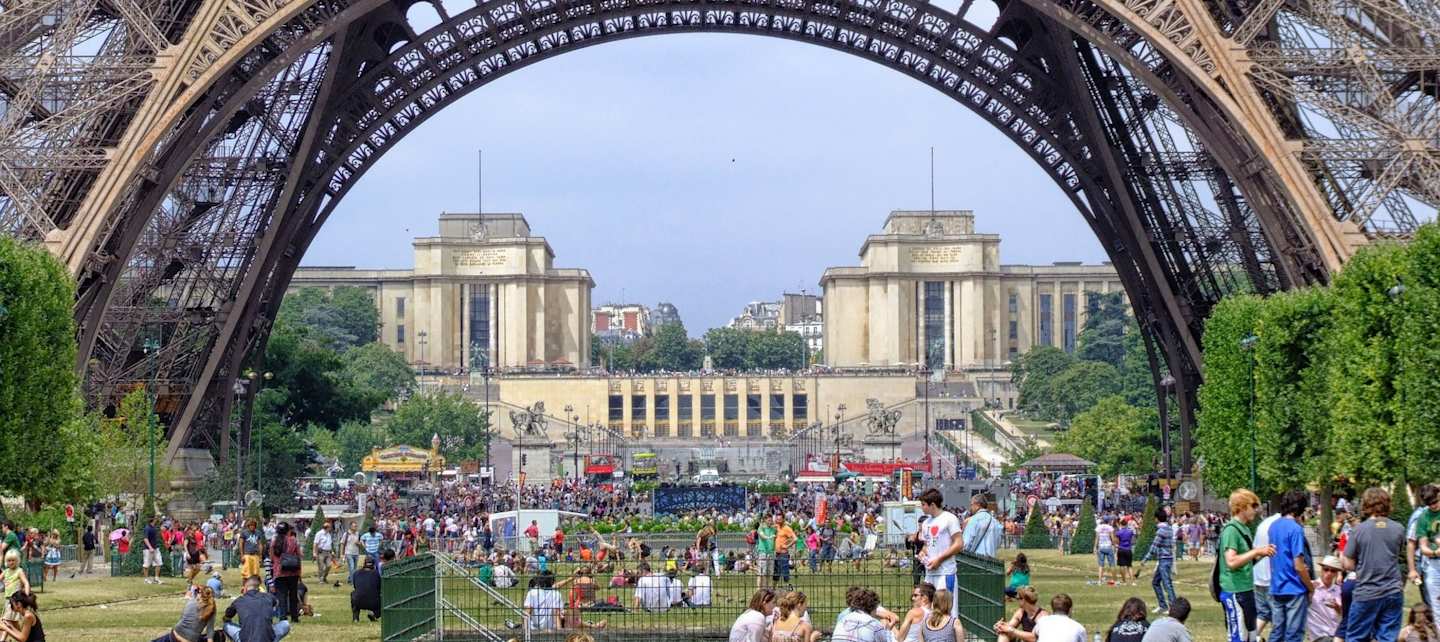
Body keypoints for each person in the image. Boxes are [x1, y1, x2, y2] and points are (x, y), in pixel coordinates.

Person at [1341, 486, 1406, 642]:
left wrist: (1360, 564)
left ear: (1366, 505)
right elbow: (1397, 554)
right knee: (1387, 637)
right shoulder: (1399, 529)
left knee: (1356, 637)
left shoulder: (1359, 530)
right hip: (1393, 591)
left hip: (1366, 591)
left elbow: (1348, 564)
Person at [1219, 488, 1275, 642]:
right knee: (1238, 637)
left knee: (1251, 636)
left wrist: (1263, 553)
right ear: (1242, 507)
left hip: (1247, 589)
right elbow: (1231, 561)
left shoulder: (1244, 529)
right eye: (1253, 506)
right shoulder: (1231, 530)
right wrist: (1256, 551)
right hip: (1235, 591)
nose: (1256, 510)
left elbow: (1247, 559)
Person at [1268, 490, 1315, 642]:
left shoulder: (1273, 526)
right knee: (1293, 635)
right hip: (1294, 588)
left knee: (1277, 632)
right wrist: (1311, 587)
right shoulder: (1296, 529)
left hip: (1277, 586)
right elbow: (1299, 565)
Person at [917, 489, 962, 616]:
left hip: (945, 572)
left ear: (932, 505)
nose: (921, 507)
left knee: (946, 611)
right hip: (930, 573)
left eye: (923, 504)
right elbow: (927, 545)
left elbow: (959, 543)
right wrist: (922, 553)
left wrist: (940, 559)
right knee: (928, 610)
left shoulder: (949, 519)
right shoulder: (926, 523)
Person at [223, 575, 290, 642]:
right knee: (285, 624)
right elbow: (277, 602)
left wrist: (227, 619)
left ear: (245, 588)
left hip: (245, 639)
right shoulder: (269, 597)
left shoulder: (239, 601)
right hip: (268, 639)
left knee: (226, 625)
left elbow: (227, 615)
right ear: (259, 588)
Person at [1141, 507, 1177, 614]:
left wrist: (1145, 559)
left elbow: (1154, 547)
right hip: (1167, 559)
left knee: (1167, 583)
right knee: (1156, 582)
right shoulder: (1169, 528)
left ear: (1157, 518)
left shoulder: (1161, 531)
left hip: (1164, 560)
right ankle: (1162, 605)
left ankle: (1173, 607)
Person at [1253, 505, 1282, 638]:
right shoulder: (1281, 525)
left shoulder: (1263, 524)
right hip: (1271, 577)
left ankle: (1249, 638)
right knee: (1278, 619)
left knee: (1263, 613)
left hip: (1258, 576)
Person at [1413, 485, 1440, 623]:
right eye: (1429, 504)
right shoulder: (1423, 517)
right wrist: (1435, 552)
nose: (1433, 505)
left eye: (1435, 501)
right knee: (1436, 607)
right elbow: (1423, 547)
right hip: (1434, 564)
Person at [270, 524, 302, 623]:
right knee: (293, 595)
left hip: (279, 572)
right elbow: (299, 555)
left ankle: (283, 617)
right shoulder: (293, 540)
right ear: (288, 531)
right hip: (293, 571)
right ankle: (294, 617)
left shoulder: (274, 541)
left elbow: (271, 557)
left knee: (281, 596)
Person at [1308, 556, 1345, 642]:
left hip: (1337, 634)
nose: (1329, 573)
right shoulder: (1311, 586)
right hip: (1319, 635)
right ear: (1321, 570)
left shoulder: (1339, 590)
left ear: (1336, 573)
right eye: (1326, 569)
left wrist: (1338, 608)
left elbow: (1344, 614)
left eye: (1333, 571)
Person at [962, 493, 1001, 558]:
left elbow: (966, 543)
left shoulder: (973, 520)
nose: (970, 508)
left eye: (971, 504)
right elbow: (998, 542)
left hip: (975, 559)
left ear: (978, 505)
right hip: (991, 560)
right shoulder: (995, 522)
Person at [350, 557, 381, 622]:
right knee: (382, 597)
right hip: (374, 602)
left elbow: (355, 586)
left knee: (353, 594)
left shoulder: (356, 573)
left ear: (364, 564)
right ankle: (374, 614)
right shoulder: (376, 574)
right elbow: (379, 587)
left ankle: (355, 618)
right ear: (374, 565)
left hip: (358, 601)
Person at [774, 515, 796, 586]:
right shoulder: (777, 527)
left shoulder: (787, 528)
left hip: (784, 554)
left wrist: (787, 546)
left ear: (783, 519)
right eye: (777, 519)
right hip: (777, 553)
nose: (778, 521)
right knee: (776, 573)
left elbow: (795, 539)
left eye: (779, 519)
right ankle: (773, 589)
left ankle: (788, 589)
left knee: (785, 573)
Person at [312, 521, 334, 588]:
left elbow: (329, 544)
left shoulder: (328, 534)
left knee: (329, 565)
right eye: (330, 527)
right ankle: (321, 579)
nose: (331, 528)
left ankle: (324, 577)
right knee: (321, 566)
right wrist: (314, 553)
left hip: (328, 552)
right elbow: (315, 543)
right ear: (327, 528)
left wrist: (332, 551)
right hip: (321, 552)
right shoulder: (319, 534)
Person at [756, 518, 777, 589]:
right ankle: (761, 589)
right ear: (765, 520)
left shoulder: (773, 529)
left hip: (771, 553)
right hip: (763, 553)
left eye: (771, 520)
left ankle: (769, 589)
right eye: (769, 520)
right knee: (762, 573)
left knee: (770, 573)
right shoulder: (761, 528)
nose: (770, 522)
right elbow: (763, 536)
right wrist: (769, 537)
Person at [1096, 518, 1118, 585]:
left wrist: (1095, 547)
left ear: (1103, 521)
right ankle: (1114, 580)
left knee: (1101, 565)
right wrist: (1114, 546)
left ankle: (1099, 580)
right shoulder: (1110, 527)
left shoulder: (1099, 527)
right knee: (1112, 564)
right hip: (1108, 546)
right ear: (1108, 521)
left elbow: (1097, 538)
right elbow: (1112, 538)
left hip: (1101, 547)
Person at [144, 516, 165, 585]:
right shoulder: (147, 528)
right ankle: (146, 579)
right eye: (155, 518)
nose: (156, 519)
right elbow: (145, 539)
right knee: (146, 564)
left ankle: (156, 578)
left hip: (156, 548)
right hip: (148, 549)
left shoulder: (154, 527)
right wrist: (150, 547)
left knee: (159, 563)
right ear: (153, 520)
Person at [1117, 518, 1137, 586]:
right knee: (1129, 566)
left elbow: (1117, 541)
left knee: (1121, 565)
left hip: (1121, 549)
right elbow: (1132, 538)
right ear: (1126, 524)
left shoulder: (1119, 532)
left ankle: (1124, 581)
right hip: (1128, 549)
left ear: (1121, 524)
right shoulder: (1130, 531)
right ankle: (1133, 582)